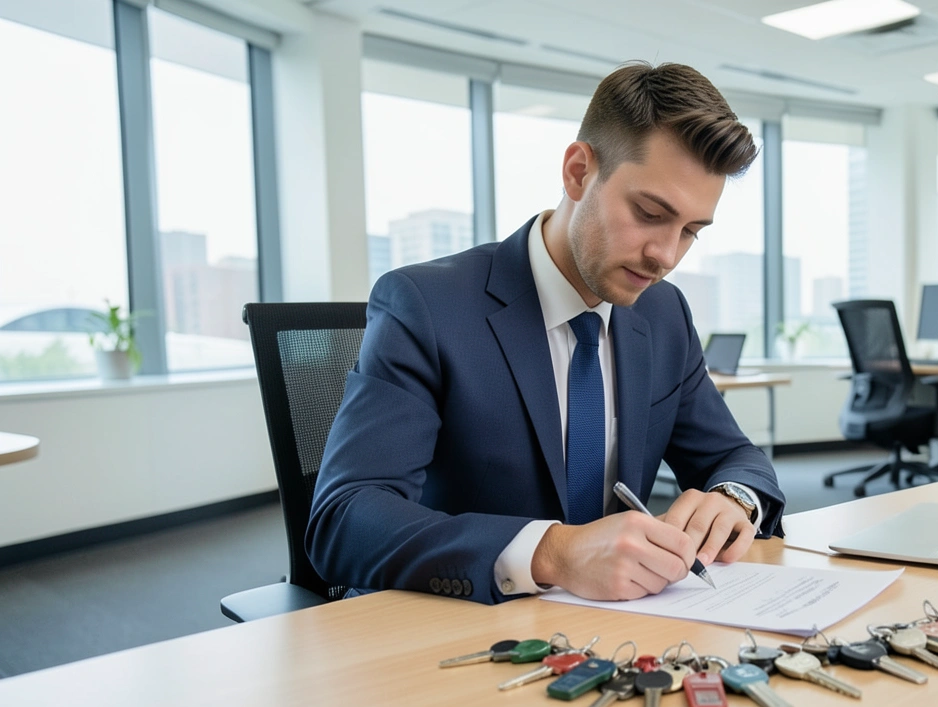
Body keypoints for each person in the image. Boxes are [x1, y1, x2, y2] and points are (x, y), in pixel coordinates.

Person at [310, 61, 785, 605]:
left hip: (621, 632)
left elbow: (736, 456)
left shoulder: (663, 314)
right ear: (579, 172)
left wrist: (733, 497)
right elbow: (345, 518)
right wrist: (554, 553)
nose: (666, 256)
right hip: (471, 630)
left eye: (691, 232)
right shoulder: (426, 306)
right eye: (650, 213)